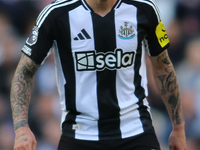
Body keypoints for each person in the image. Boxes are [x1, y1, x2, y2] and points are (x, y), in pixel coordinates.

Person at [10, 0, 187, 150]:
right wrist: (21, 129)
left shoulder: (144, 9)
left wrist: (178, 128)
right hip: (79, 134)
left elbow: (163, 67)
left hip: (137, 132)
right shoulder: (56, 14)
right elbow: (24, 72)